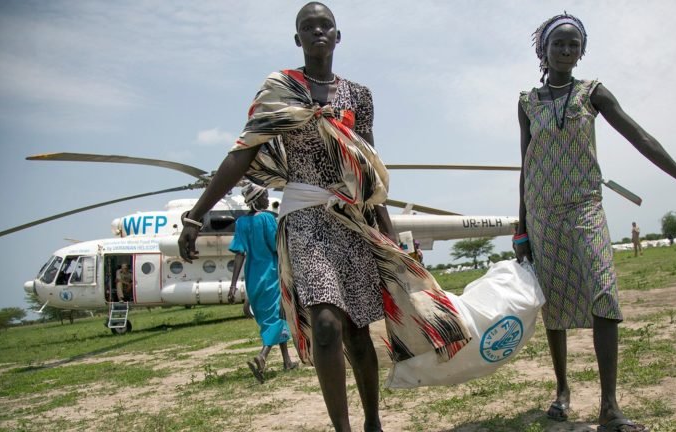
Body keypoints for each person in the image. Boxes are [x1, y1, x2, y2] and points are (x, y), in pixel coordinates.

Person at [177, 3, 470, 430]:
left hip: (353, 221)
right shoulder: (280, 88)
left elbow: (367, 167)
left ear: (337, 36)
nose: (317, 32)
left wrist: (389, 234)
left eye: (325, 26)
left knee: (356, 331)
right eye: (307, 27)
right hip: (305, 221)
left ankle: (372, 421)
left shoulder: (358, 96)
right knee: (328, 326)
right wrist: (195, 215)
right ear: (298, 38)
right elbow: (241, 154)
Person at [515, 13, 676, 432]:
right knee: (554, 304)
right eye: (559, 45)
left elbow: (639, 136)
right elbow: (525, 166)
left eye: (574, 45)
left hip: (585, 207)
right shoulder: (527, 102)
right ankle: (563, 390)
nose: (567, 51)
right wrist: (521, 227)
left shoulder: (593, 94)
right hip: (543, 214)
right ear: (543, 51)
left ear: (581, 50)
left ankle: (609, 407)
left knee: (604, 293)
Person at [228, 182, 298, 383]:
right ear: (256, 199)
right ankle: (263, 355)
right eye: (264, 196)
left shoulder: (241, 223)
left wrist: (233, 285)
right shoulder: (267, 219)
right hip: (271, 273)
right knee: (277, 316)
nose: (267, 200)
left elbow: (239, 254)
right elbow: (277, 246)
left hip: (253, 277)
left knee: (273, 316)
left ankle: (287, 361)